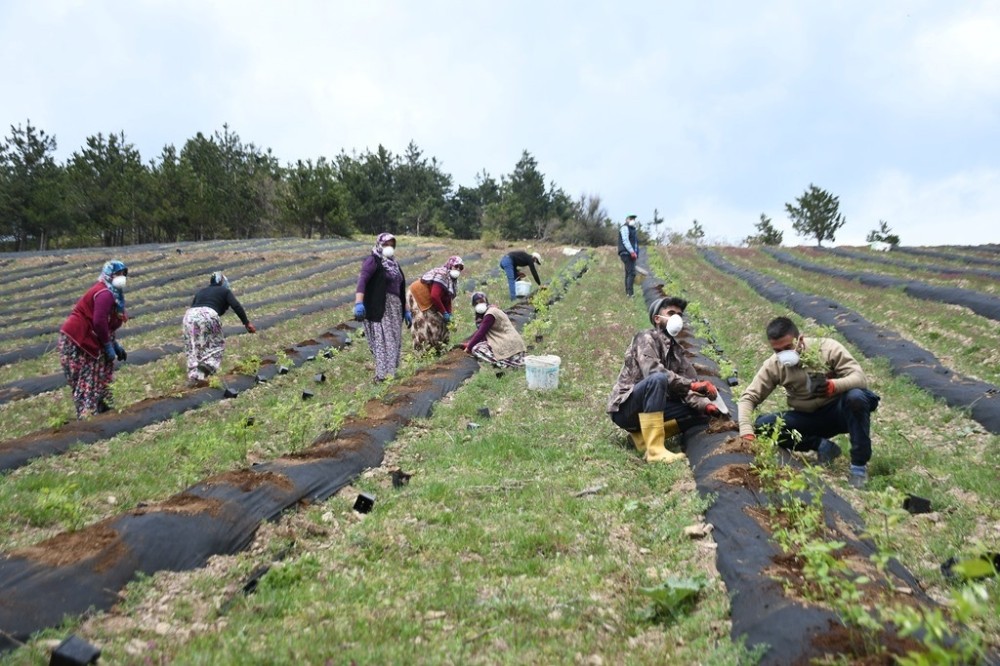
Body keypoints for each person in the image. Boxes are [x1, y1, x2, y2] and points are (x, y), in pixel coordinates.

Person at [737, 316, 880, 488]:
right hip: (807, 418)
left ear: (800, 339)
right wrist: (746, 431)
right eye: (778, 351)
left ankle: (858, 467)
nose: (783, 354)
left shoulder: (827, 348)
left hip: (839, 412)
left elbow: (860, 378)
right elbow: (748, 398)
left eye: (788, 347)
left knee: (856, 397)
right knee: (762, 426)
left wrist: (834, 386)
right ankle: (821, 445)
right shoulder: (774, 365)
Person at [607, 296, 720, 463]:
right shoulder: (645, 338)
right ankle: (655, 451)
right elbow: (652, 372)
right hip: (627, 409)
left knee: (700, 413)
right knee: (658, 378)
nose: (677, 318)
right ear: (657, 319)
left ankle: (641, 439)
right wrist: (693, 384)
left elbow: (689, 389)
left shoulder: (678, 354)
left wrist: (707, 406)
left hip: (653, 406)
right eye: (671, 313)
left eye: (680, 315)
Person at [58, 259, 130, 418]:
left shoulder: (115, 295)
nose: (121, 277)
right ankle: (88, 413)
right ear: (108, 275)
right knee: (88, 374)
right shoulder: (104, 293)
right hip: (79, 338)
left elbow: (107, 324)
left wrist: (114, 344)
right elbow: (98, 321)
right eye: (117, 274)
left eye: (123, 274)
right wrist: (107, 344)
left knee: (100, 369)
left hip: (90, 337)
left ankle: (100, 406)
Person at [354, 232, 411, 383]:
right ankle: (382, 376)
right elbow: (362, 281)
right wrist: (359, 303)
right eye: (386, 244)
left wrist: (406, 310)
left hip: (395, 308)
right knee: (384, 340)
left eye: (392, 245)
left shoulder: (395, 265)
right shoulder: (373, 261)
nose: (389, 248)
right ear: (379, 244)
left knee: (394, 339)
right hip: (380, 307)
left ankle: (390, 373)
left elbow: (400, 288)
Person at [182, 271, 256, 387]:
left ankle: (195, 377)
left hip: (189, 316)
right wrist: (246, 323)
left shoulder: (201, 292)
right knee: (217, 344)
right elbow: (236, 305)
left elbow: (194, 308)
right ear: (222, 282)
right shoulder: (224, 291)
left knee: (194, 346)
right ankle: (208, 366)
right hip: (208, 314)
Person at [407, 255, 464, 354]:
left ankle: (437, 347)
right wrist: (444, 312)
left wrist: (449, 313)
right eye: (456, 266)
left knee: (440, 322)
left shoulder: (452, 281)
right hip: (417, 294)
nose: (458, 270)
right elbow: (435, 296)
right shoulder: (441, 275)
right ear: (450, 266)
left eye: (460, 268)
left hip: (429, 298)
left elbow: (447, 298)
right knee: (422, 322)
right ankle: (420, 351)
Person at [462, 292, 527, 368]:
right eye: (477, 303)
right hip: (513, 344)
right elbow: (482, 333)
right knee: (481, 345)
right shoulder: (491, 311)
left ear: (486, 301)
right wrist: (469, 343)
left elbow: (480, 333)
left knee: (476, 349)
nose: (480, 304)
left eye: (482, 301)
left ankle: (503, 363)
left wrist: (469, 348)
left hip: (508, 344)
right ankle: (512, 360)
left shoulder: (490, 314)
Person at [617, 214, 640, 297]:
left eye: (634, 219)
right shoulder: (624, 228)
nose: (633, 220)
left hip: (630, 253)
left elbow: (635, 243)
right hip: (626, 253)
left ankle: (628, 293)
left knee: (628, 273)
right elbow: (625, 240)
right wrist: (632, 252)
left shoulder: (633, 229)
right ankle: (630, 294)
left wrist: (636, 253)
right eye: (631, 218)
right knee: (632, 273)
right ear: (627, 219)